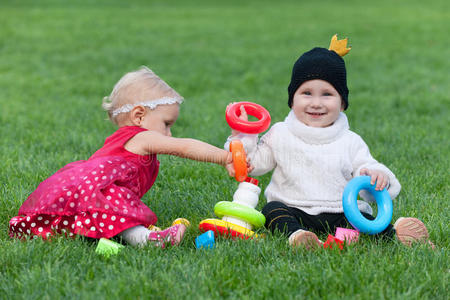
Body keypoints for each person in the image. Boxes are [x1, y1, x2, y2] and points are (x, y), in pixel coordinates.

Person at [226, 36, 434, 249]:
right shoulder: (280, 133)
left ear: (342, 103)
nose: (316, 103)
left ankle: (397, 234)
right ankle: (299, 236)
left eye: (327, 94)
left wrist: (376, 176)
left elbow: (365, 168)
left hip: (341, 210)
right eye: (306, 93)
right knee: (272, 211)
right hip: (293, 207)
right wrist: (243, 135)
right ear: (292, 99)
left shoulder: (350, 141)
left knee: (362, 218)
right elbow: (253, 164)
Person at [10, 66, 238, 248]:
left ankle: (100, 231)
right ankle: (148, 241)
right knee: (116, 204)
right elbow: (183, 147)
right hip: (95, 196)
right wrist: (224, 157)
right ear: (139, 116)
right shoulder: (141, 137)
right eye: (166, 124)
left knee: (110, 206)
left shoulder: (120, 140)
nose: (169, 133)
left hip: (82, 197)